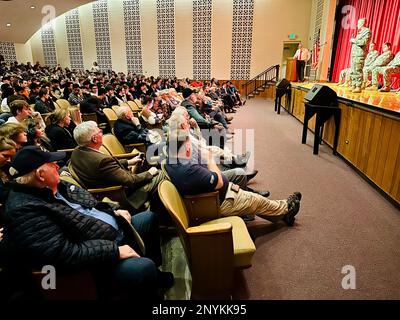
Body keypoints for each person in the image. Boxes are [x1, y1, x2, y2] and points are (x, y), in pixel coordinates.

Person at [2, 146, 173, 300]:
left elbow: (92, 204)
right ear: (40, 174)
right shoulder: (25, 211)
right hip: (92, 264)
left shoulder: (55, 186)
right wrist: (114, 250)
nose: (57, 167)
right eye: (52, 164)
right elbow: (63, 255)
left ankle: (154, 278)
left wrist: (113, 210)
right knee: (143, 269)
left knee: (148, 218)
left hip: (110, 232)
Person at [165, 132, 302, 226]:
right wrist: (210, 159)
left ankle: (282, 215)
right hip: (217, 201)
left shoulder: (171, 160)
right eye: (189, 146)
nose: (192, 149)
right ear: (185, 148)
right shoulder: (189, 170)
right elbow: (218, 181)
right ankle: (285, 208)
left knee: (242, 181)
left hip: (211, 193)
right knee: (256, 201)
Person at [71, 121, 164, 211]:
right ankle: (154, 213)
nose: (102, 133)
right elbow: (131, 181)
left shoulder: (77, 151)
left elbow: (106, 167)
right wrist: (149, 173)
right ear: (94, 139)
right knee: (161, 174)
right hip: (119, 195)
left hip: (103, 189)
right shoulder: (102, 161)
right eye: (100, 131)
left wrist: (128, 162)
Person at [349, 18, 371, 93]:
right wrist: (353, 41)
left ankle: (358, 86)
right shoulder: (359, 32)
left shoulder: (367, 31)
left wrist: (354, 40)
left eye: (358, 23)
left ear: (362, 23)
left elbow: (364, 42)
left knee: (358, 69)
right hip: (354, 54)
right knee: (353, 69)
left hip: (359, 54)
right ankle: (354, 84)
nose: (357, 25)